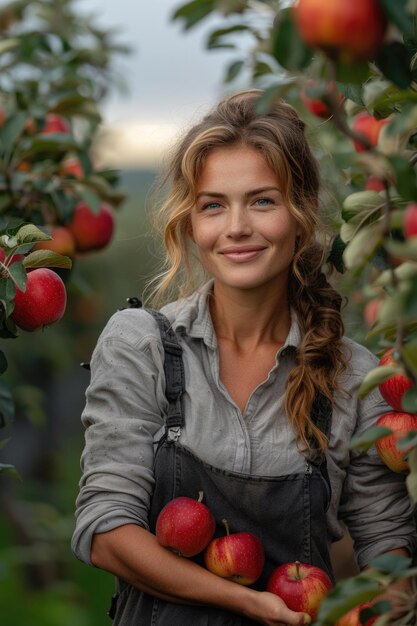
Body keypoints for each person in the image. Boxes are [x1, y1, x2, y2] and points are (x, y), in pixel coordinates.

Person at [71, 89, 416, 626]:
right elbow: (105, 532)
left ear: (299, 217)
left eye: (262, 200)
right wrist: (247, 601)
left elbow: (390, 553)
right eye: (213, 205)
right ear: (190, 224)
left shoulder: (354, 377)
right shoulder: (141, 345)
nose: (236, 227)